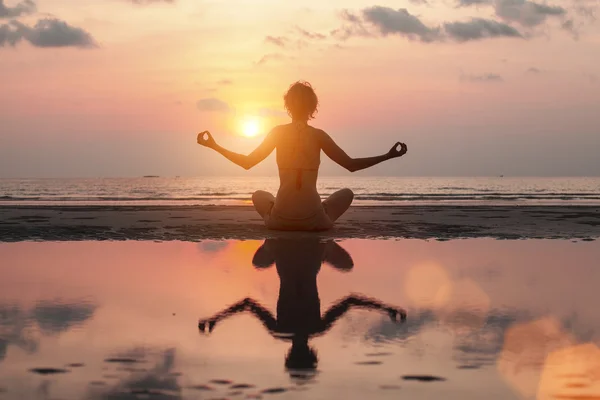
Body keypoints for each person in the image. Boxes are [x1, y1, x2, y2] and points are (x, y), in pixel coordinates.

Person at [197, 81, 408, 231]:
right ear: (312, 107)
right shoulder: (318, 136)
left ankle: (277, 210)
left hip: (280, 221)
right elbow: (350, 165)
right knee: (347, 193)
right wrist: (387, 155)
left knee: (258, 195)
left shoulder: (278, 132)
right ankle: (318, 210)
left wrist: (215, 146)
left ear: (288, 106)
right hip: (314, 221)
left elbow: (247, 162)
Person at [198, 238, 407, 375]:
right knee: (259, 263)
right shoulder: (280, 330)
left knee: (346, 265)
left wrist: (386, 308)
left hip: (310, 252)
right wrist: (215, 319)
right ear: (288, 354)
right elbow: (248, 304)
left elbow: (350, 301)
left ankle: (324, 244)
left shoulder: (316, 328)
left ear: (313, 354)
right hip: (284, 251)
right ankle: (283, 242)